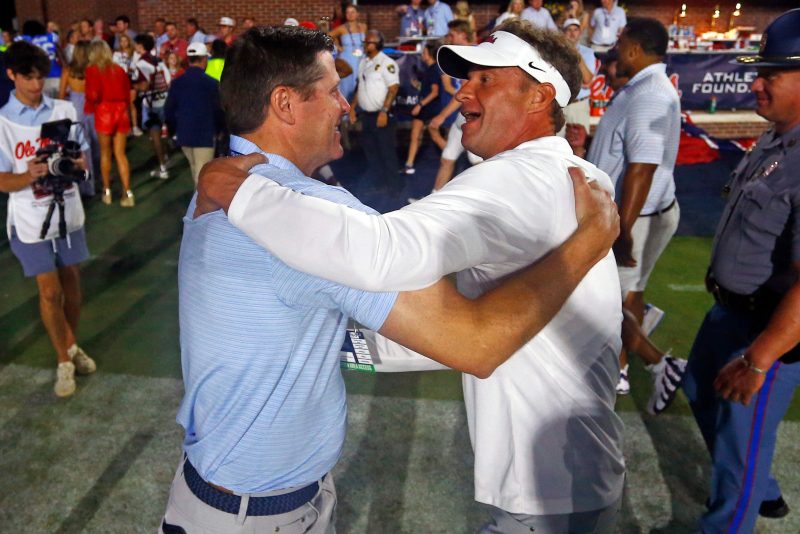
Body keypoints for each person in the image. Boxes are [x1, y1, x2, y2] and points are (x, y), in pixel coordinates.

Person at [198, 20, 626, 532]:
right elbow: (463, 326)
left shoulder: (515, 179)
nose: (462, 91)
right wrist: (333, 345)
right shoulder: (574, 175)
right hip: (575, 479)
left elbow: (380, 252)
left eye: (485, 79)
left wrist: (241, 193)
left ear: (539, 96)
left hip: (549, 491)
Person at [681, 8, 800, 532]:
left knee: (740, 442)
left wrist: (759, 359)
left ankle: (736, 512)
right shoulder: (778, 137)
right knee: (700, 390)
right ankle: (763, 488)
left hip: (767, 329)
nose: (756, 83)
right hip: (730, 312)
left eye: (771, 73)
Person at [586, 18, 685, 412]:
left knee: (607, 301)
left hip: (636, 218)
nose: (617, 51)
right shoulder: (645, 88)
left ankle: (654, 364)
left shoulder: (649, 94)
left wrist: (622, 231)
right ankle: (626, 362)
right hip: (646, 213)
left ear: (634, 49)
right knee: (629, 293)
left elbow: (641, 168)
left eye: (621, 44)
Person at [0, 41, 95, 397]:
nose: (37, 84)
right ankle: (63, 360)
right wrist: (28, 175)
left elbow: (82, 161)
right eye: (28, 77)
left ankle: (71, 344)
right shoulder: (2, 124)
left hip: (68, 213)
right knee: (50, 291)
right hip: (29, 219)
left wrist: (80, 166)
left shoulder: (64, 109)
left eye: (40, 77)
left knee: (72, 285)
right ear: (11, 75)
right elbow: (2, 180)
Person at [350, 30, 402, 194]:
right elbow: (360, 86)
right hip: (366, 115)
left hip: (382, 115)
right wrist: (352, 107)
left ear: (378, 44)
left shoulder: (387, 63)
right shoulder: (363, 62)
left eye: (369, 42)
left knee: (387, 153)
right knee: (371, 153)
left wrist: (384, 111)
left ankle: (395, 189)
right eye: (365, 42)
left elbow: (393, 88)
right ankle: (379, 185)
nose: (365, 45)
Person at [164, 42, 222, 186]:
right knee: (201, 177)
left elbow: (169, 110)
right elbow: (218, 111)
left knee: (196, 170)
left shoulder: (177, 83)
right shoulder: (211, 83)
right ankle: (200, 201)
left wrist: (174, 131)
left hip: (184, 134)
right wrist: (219, 131)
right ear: (204, 59)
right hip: (204, 135)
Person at [85, 40, 134, 206]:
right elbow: (127, 94)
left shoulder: (92, 70)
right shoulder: (119, 69)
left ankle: (107, 192)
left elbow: (93, 95)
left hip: (104, 112)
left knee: (105, 153)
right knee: (120, 154)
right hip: (121, 111)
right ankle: (128, 193)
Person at [132, 33, 171, 180]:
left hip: (151, 103)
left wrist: (132, 85)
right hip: (164, 100)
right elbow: (167, 79)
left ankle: (162, 167)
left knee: (155, 136)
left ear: (141, 46)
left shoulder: (142, 63)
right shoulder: (158, 60)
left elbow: (144, 86)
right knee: (162, 133)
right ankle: (165, 158)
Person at [403, 40, 443, 175]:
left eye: (424, 52)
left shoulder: (434, 70)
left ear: (430, 54)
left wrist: (420, 105)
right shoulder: (429, 69)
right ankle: (409, 164)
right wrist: (418, 86)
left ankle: (451, 158)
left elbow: (434, 92)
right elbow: (428, 89)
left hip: (429, 108)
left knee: (434, 136)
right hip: (425, 107)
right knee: (415, 136)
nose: (422, 55)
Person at [561, 17, 595, 158]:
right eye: (569, 30)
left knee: (578, 147)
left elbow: (587, 79)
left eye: (575, 30)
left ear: (580, 33)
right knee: (557, 144)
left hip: (579, 104)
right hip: (561, 104)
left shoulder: (587, 52)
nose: (572, 33)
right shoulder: (557, 52)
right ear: (563, 32)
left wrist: (575, 53)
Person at [15, 20, 64, 98]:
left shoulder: (22, 39)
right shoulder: (51, 36)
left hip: (39, 78)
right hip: (56, 75)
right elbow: (60, 47)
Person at [328, 4, 366, 103]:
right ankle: (345, 107)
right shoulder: (342, 28)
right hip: (347, 58)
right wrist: (337, 46)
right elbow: (327, 36)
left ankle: (358, 106)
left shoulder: (364, 27)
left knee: (361, 81)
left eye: (352, 12)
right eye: (347, 12)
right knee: (347, 83)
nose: (350, 14)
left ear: (358, 14)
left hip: (361, 58)